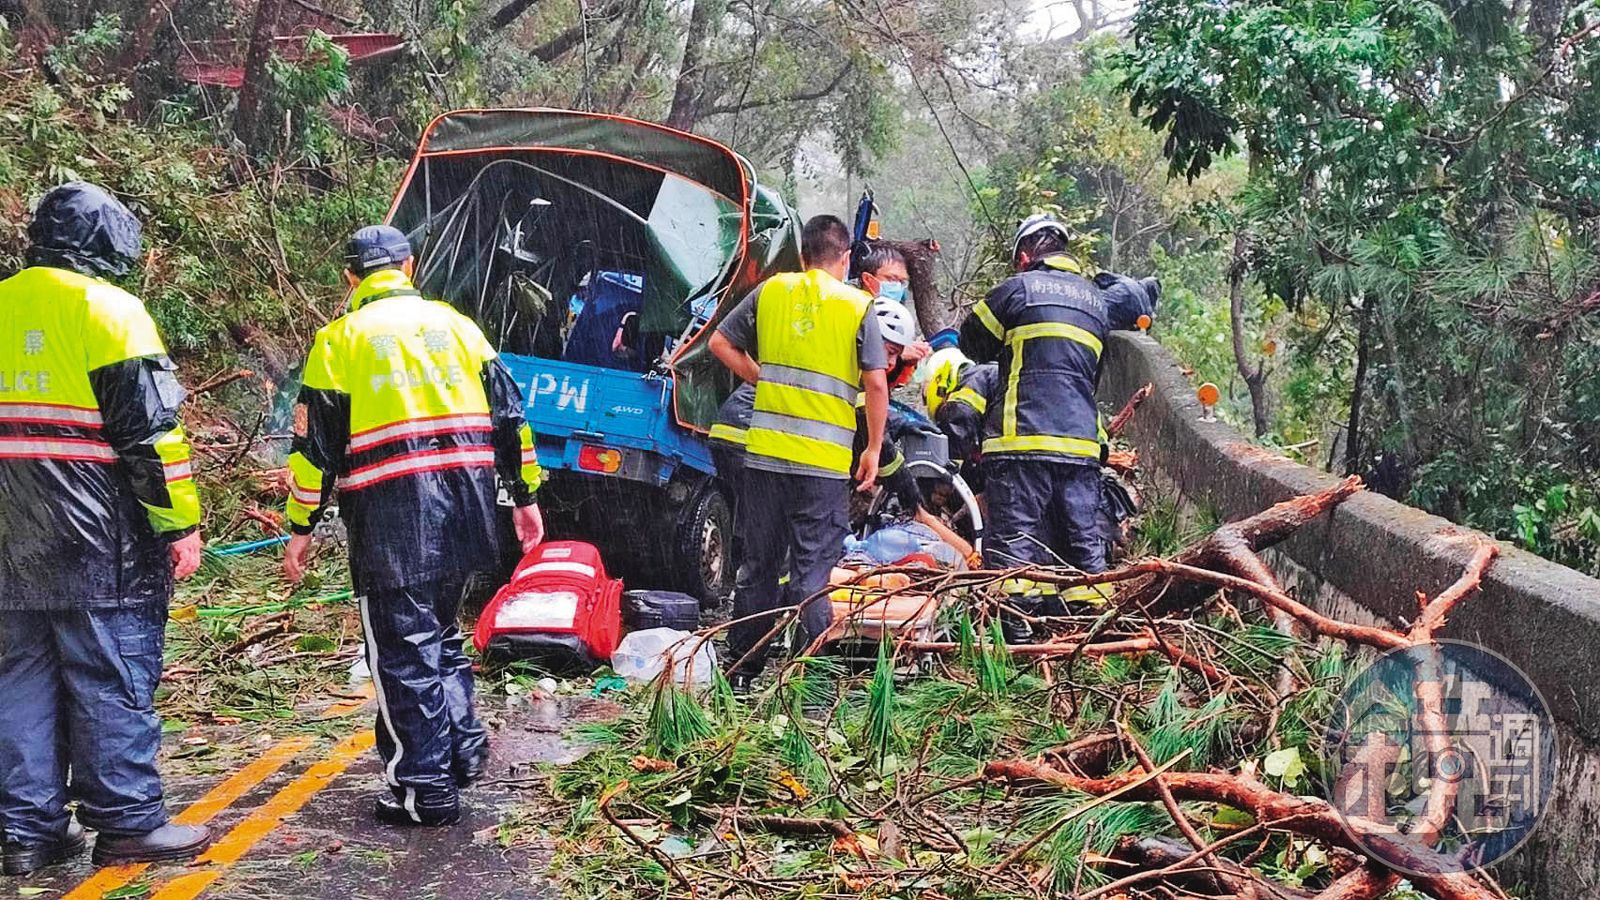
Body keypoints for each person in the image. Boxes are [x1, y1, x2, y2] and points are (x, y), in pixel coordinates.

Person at [282, 225, 546, 827]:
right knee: (440, 634)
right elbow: (512, 418)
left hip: (392, 520)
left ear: (350, 276)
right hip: (468, 509)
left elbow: (313, 448)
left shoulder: (338, 341)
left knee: (403, 653)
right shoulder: (458, 326)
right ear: (408, 266)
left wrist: (300, 526)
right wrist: (525, 498)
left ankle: (422, 790)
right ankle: (463, 748)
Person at [0, 182, 212, 873]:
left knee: (18, 679)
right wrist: (180, 524)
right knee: (110, 673)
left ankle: (25, 834)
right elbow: (151, 435)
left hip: (8, 536)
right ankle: (125, 823)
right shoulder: (111, 311)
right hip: (97, 534)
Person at [709, 215, 889, 686]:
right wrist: (871, 447)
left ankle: (742, 671)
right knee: (812, 575)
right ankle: (816, 679)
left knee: (759, 567)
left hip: (765, 458)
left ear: (802, 254)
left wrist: (760, 377)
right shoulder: (857, 305)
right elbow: (874, 381)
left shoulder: (772, 292)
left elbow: (719, 342)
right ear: (846, 258)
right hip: (823, 468)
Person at [959, 214, 1113, 634]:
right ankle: (1086, 644)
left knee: (1013, 545)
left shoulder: (1017, 289)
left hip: (1020, 440)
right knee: (1081, 548)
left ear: (1025, 256)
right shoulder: (1098, 303)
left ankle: (1017, 641)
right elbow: (1092, 376)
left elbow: (971, 343)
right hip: (1081, 446)